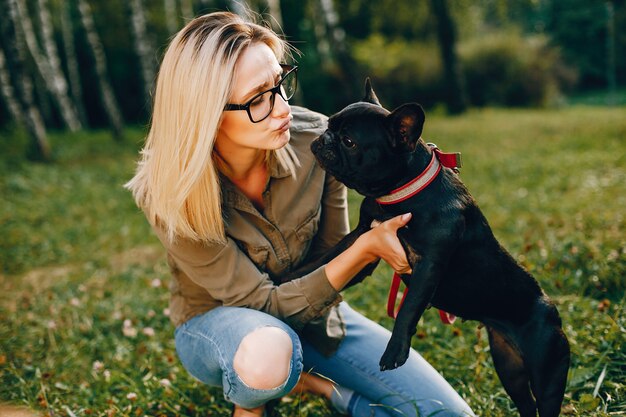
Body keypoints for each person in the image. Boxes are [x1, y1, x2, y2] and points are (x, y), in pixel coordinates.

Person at [126, 11, 475, 417]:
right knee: (270, 351)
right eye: (258, 98)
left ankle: (319, 387)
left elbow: (329, 253)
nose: (282, 109)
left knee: (447, 414)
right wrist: (364, 250)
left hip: (317, 321)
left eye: (280, 83)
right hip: (226, 332)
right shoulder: (171, 191)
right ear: (205, 114)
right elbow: (262, 305)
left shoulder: (316, 141)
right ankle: (256, 402)